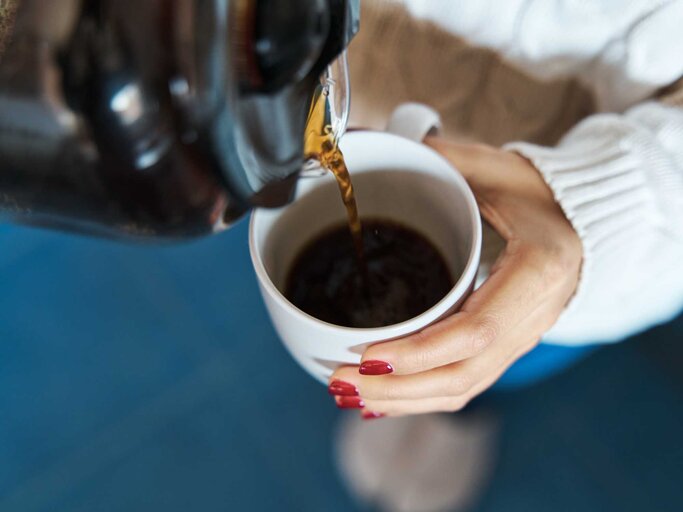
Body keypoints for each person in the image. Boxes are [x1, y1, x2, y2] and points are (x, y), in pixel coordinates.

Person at [327, 1, 683, 510]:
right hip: (356, 101)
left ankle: (464, 408)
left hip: (595, 244)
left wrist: (602, 206)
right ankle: (419, 397)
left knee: (511, 351)